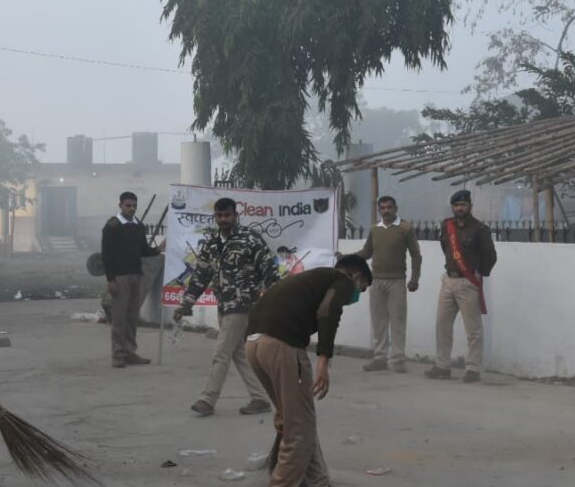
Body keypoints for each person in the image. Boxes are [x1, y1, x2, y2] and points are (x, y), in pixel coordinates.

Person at [245, 255, 372, 486]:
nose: (356, 296)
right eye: (361, 290)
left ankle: (317, 480)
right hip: (282, 344)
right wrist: (324, 359)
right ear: (357, 275)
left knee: (297, 416)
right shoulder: (343, 280)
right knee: (300, 428)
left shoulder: (313, 278)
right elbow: (328, 311)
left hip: (253, 343)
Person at [173, 197, 280, 416]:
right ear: (215, 217)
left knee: (221, 353)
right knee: (238, 354)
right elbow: (200, 276)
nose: (223, 219)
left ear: (235, 215)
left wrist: (274, 300)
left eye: (227, 215)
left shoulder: (250, 239)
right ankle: (260, 398)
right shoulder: (212, 243)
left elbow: (269, 270)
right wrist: (186, 303)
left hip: (243, 305)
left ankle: (207, 399)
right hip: (224, 305)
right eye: (219, 216)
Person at [425, 189, 496, 384]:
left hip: (467, 282)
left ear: (470, 206)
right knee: (442, 325)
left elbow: (490, 256)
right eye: (456, 205)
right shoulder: (446, 226)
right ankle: (442, 366)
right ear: (453, 207)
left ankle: (473, 369)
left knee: (473, 330)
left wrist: (479, 273)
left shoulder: (480, 229)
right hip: (448, 280)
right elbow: (445, 249)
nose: (459, 208)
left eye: (463, 205)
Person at [351, 195, 422, 373]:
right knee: (379, 321)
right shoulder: (375, 229)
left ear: (395, 208)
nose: (386, 211)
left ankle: (398, 360)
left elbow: (416, 255)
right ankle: (379, 358)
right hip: (376, 281)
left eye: (389, 207)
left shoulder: (405, 228)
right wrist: (347, 258)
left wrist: (415, 279)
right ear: (379, 210)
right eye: (382, 208)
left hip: (397, 281)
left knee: (398, 321)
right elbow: (366, 253)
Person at [101, 191, 164, 368]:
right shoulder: (112, 226)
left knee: (132, 317)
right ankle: (118, 354)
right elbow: (106, 255)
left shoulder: (138, 226)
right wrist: (110, 279)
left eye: (134, 206)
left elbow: (143, 250)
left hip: (137, 275)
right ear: (120, 205)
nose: (132, 209)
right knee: (119, 318)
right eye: (128, 205)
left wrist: (158, 249)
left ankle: (130, 352)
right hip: (120, 277)